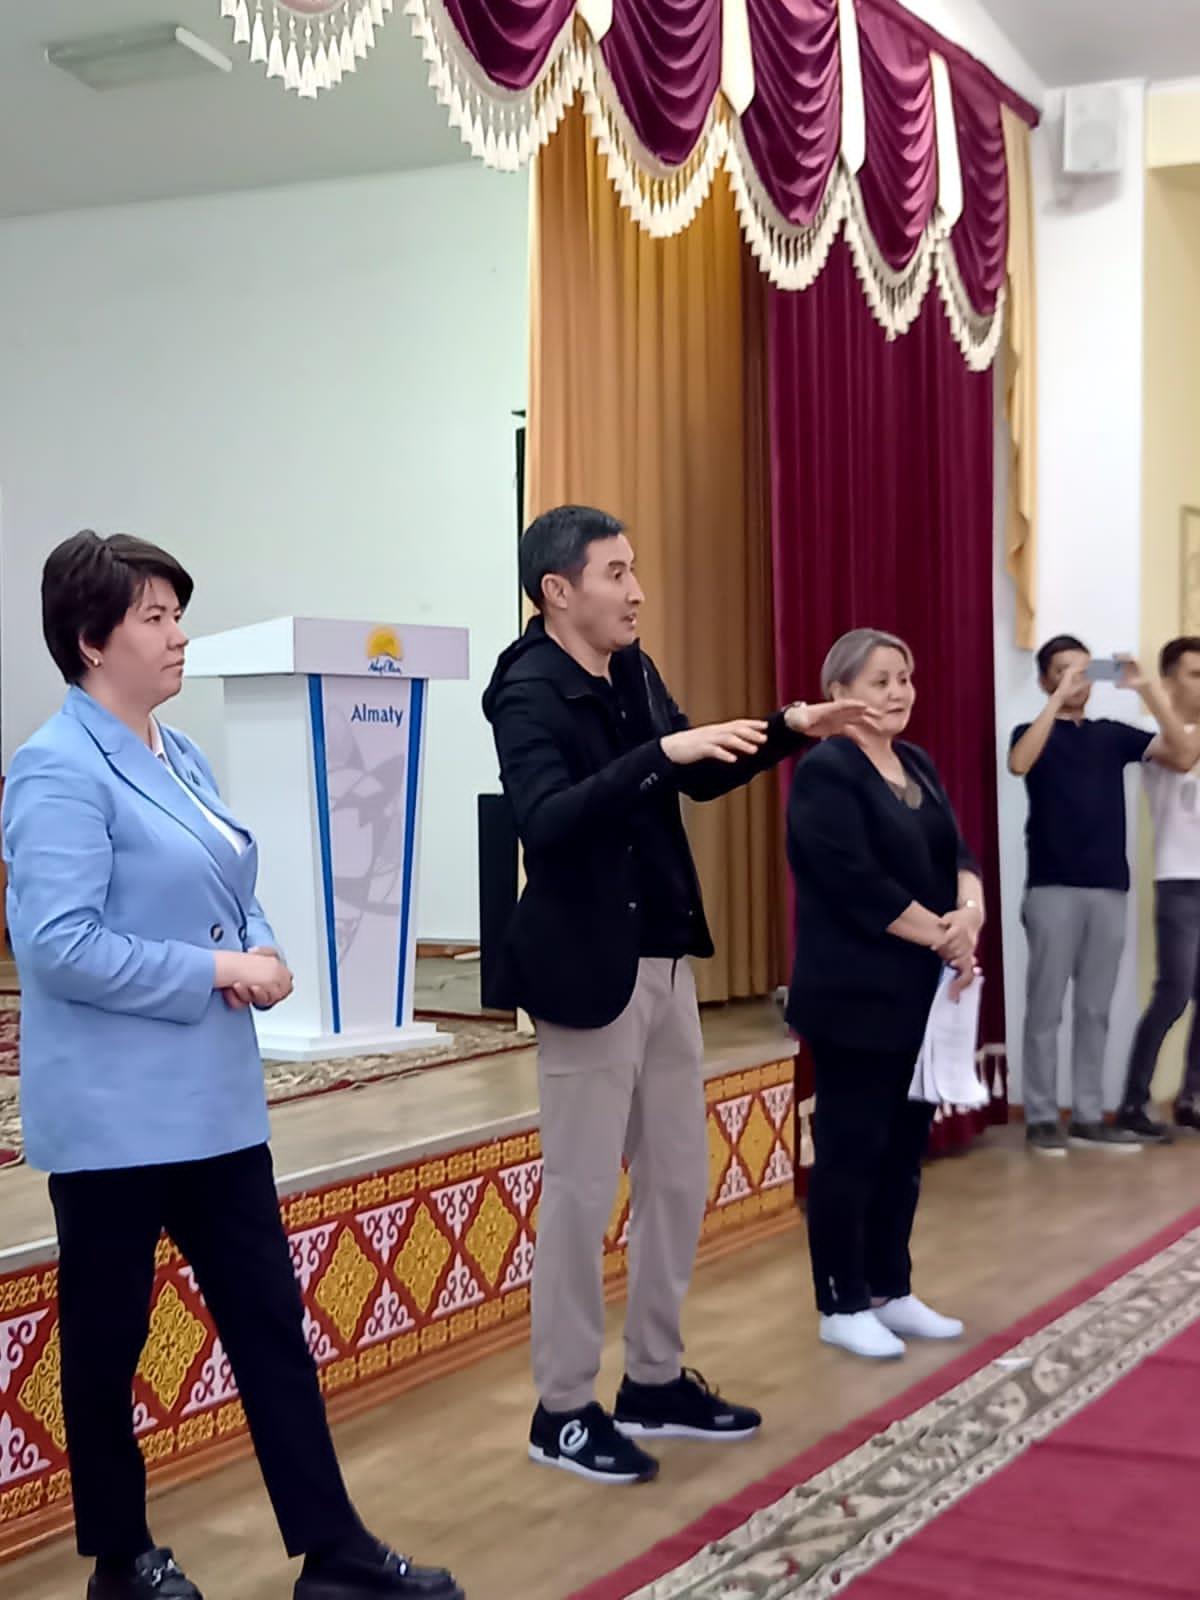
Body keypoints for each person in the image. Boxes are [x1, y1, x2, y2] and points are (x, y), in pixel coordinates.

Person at [2, 532, 464, 1600]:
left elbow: (230, 877)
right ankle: (120, 1557)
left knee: (269, 1327)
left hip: (213, 1105)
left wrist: (263, 945)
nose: (179, 636)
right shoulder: (56, 766)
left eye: (178, 614)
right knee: (108, 1342)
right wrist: (220, 968)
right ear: (91, 640)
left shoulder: (180, 752)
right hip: (116, 1116)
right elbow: (57, 947)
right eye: (155, 617)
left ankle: (333, 1547)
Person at [482, 505, 874, 1484]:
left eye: (635, 570)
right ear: (557, 591)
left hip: (663, 960)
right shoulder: (526, 690)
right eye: (616, 573)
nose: (637, 591)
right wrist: (660, 756)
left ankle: (652, 1378)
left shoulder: (634, 670)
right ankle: (562, 1407)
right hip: (587, 969)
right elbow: (546, 818)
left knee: (677, 1181)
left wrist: (788, 729)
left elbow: (695, 773)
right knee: (580, 1193)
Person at [786, 629, 979, 1362]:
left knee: (903, 1149)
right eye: (881, 681)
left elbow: (959, 854)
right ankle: (840, 1301)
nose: (899, 692)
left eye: (905, 677)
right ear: (838, 693)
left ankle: (889, 1289)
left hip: (921, 994)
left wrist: (969, 915)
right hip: (854, 996)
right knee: (852, 1149)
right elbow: (855, 883)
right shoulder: (827, 771)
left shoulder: (917, 762)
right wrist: (943, 936)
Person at [1009, 635, 1192, 1157]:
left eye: (1084, 671)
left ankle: (1089, 1116)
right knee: (1045, 1008)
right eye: (1064, 671)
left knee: (1095, 1009)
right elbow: (1019, 763)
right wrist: (1054, 702)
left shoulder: (1111, 735)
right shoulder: (1031, 732)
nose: (1076, 681)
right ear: (1045, 679)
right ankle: (1042, 1117)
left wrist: (1146, 688)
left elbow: (1184, 755)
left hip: (1109, 887)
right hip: (1051, 887)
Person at [1116, 637, 1200, 1140]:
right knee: (1173, 993)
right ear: (1169, 680)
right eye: (1194, 674)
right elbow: (1184, 756)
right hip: (1179, 883)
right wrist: (1149, 692)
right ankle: (1133, 1101)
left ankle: (1190, 1097)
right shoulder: (1155, 733)